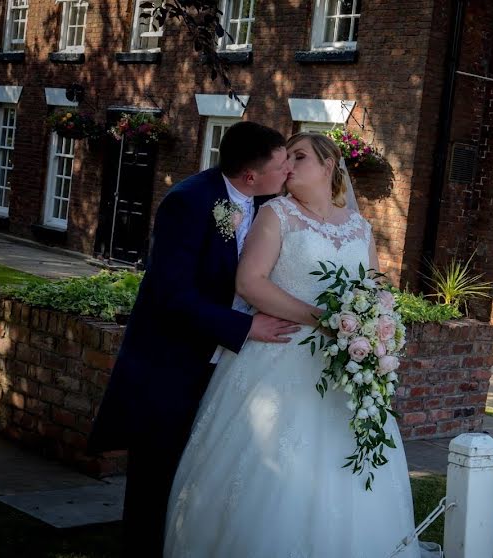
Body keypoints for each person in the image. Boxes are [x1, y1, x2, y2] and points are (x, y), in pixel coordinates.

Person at [163, 132, 426, 557]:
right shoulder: (277, 215)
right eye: (285, 159)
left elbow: (376, 289)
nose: (288, 167)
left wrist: (376, 326)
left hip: (345, 365)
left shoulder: (360, 227)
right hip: (279, 353)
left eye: (299, 157)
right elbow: (249, 283)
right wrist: (323, 320)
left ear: (328, 166)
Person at [87, 122, 301, 558]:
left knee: (199, 468)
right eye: (282, 165)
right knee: (155, 474)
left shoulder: (263, 202)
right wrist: (244, 328)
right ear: (250, 176)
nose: (289, 172)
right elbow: (171, 296)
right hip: (171, 363)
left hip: (223, 364)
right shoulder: (188, 202)